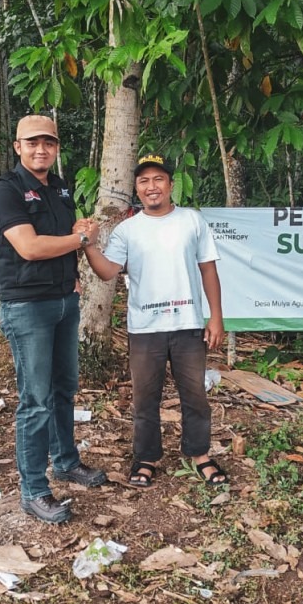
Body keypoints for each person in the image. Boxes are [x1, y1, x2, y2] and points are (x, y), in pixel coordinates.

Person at [0, 114, 107, 524]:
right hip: (27, 308)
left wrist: (77, 238)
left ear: (56, 148)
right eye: (33, 143)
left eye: (49, 143)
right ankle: (34, 490)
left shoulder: (60, 188)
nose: (42, 150)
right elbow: (31, 248)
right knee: (35, 401)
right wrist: (83, 238)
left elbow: (65, 238)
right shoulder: (6, 191)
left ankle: (66, 462)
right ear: (17, 147)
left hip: (63, 303)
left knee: (64, 390)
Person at [80, 154, 227, 488]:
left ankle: (199, 454)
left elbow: (208, 269)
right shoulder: (127, 230)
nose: (152, 186)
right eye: (144, 181)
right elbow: (107, 273)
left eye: (158, 179)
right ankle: (146, 457)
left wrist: (215, 318)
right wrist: (88, 246)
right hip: (145, 329)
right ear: (137, 188)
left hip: (188, 325)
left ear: (170, 184)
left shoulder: (192, 220)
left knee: (195, 395)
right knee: (145, 398)